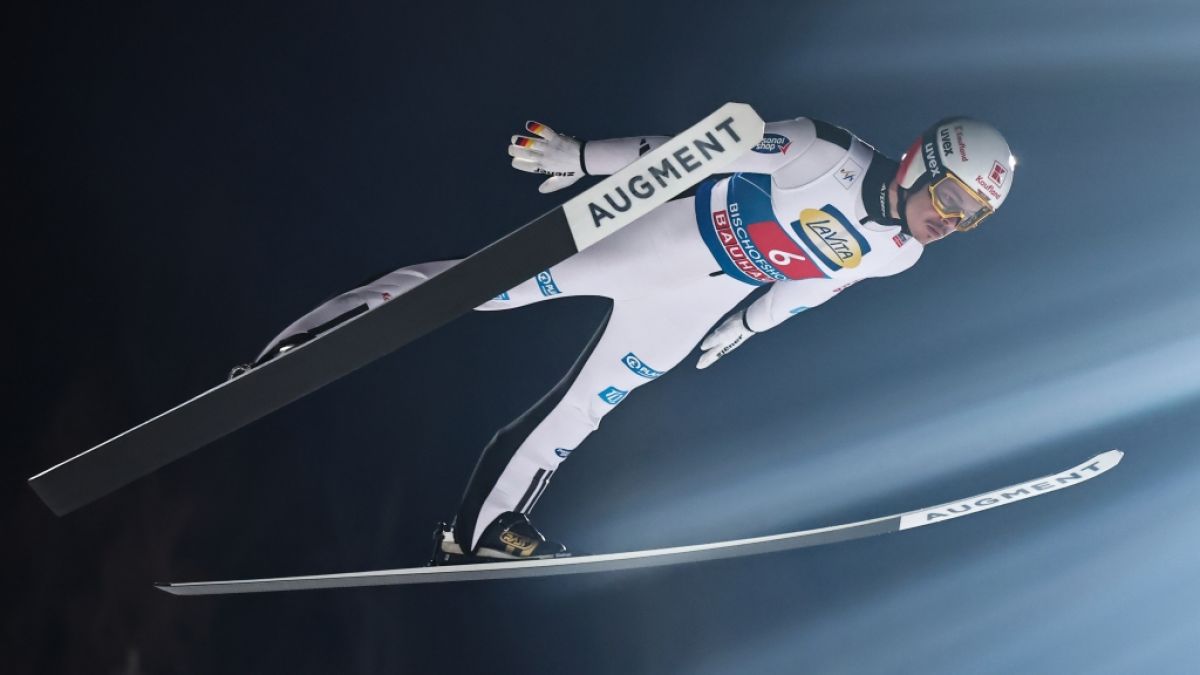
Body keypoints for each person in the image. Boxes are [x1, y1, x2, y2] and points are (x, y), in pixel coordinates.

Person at [233, 114, 1017, 564]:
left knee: (585, 410)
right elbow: (691, 149)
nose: (950, 221)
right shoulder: (821, 151)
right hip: (647, 242)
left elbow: (815, 285)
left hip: (694, 303)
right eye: (952, 199)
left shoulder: (899, 254)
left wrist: (745, 324)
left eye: (971, 218)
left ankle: (481, 528)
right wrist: (580, 158)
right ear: (921, 163)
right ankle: (299, 348)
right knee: (477, 289)